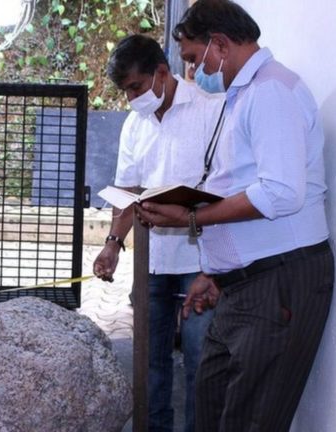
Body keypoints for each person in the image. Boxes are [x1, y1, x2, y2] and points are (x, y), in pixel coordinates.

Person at [136, 1, 334, 430]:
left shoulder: (270, 91)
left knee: (250, 421)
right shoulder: (243, 93)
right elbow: (238, 182)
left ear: (220, 45)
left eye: (193, 59)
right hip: (244, 284)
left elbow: (280, 194)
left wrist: (189, 221)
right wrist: (215, 270)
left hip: (278, 281)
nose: (192, 71)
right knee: (212, 406)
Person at [93, 35, 224, 432]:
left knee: (200, 360)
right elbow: (127, 192)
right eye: (125, 91)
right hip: (152, 263)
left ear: (162, 72)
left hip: (201, 262)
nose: (132, 98)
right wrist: (112, 246)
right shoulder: (135, 126)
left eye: (135, 86)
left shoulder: (209, 111)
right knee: (150, 359)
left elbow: (227, 189)